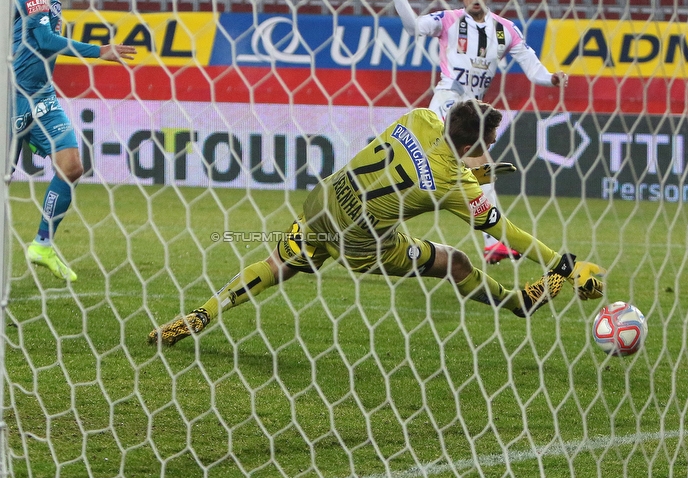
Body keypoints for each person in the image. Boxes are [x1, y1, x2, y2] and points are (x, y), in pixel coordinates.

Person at [149, 101, 604, 347]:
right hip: (363, 243)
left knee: (276, 264)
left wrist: (471, 172)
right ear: (478, 144)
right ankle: (514, 303)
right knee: (456, 261)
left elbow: (420, 160)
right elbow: (504, 231)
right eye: (489, 141)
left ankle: (202, 313)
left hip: (325, 201)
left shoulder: (420, 117)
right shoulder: (452, 184)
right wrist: (563, 264)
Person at [385, 0, 568, 264]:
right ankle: (493, 241)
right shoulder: (448, 20)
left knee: (468, 173)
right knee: (471, 169)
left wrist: (551, 78)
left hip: (475, 110)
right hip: (449, 102)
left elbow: (532, 66)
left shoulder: (505, 29)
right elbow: (414, 27)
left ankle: (491, 243)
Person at [5, 0, 137, 281]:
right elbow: (45, 40)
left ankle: (42, 244)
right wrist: (100, 51)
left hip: (41, 94)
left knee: (71, 164)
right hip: (13, 95)